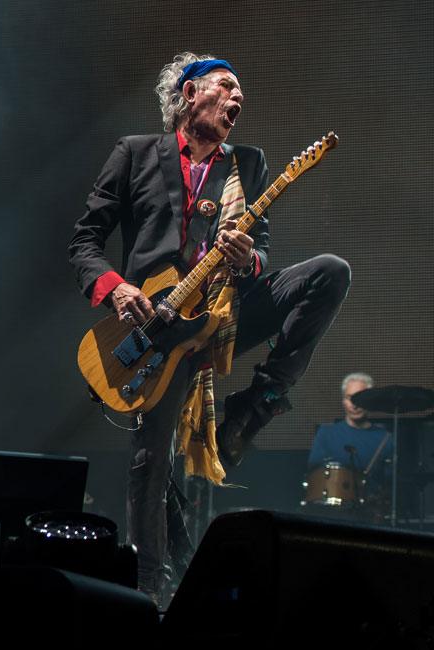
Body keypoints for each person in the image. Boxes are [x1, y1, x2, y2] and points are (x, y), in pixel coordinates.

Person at [68, 52, 350, 601]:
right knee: (152, 463)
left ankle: (260, 402)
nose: (238, 98)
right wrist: (116, 289)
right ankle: (151, 593)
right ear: (190, 92)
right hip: (156, 325)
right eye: (227, 86)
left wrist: (247, 258)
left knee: (329, 273)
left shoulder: (248, 163)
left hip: (224, 314)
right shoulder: (134, 153)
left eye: (241, 93)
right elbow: (84, 241)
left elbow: (260, 249)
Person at [308, 373, 392, 477]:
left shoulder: (385, 438)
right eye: (349, 398)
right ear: (343, 401)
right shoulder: (326, 433)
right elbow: (314, 473)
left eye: (360, 397)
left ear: (371, 400)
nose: (354, 405)